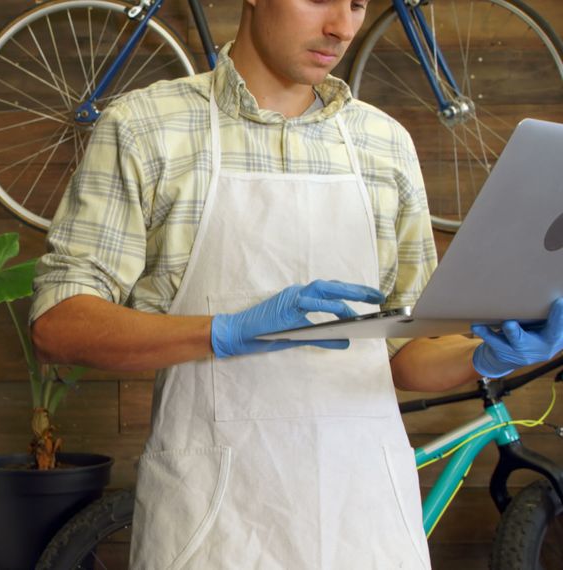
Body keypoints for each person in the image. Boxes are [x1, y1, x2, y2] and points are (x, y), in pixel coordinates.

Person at [28, 0, 563, 568]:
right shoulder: (146, 127)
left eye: (358, 4)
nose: (341, 27)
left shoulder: (385, 144)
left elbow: (409, 356)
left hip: (365, 513)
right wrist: (225, 332)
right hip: (214, 517)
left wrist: (488, 354)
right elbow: (60, 324)